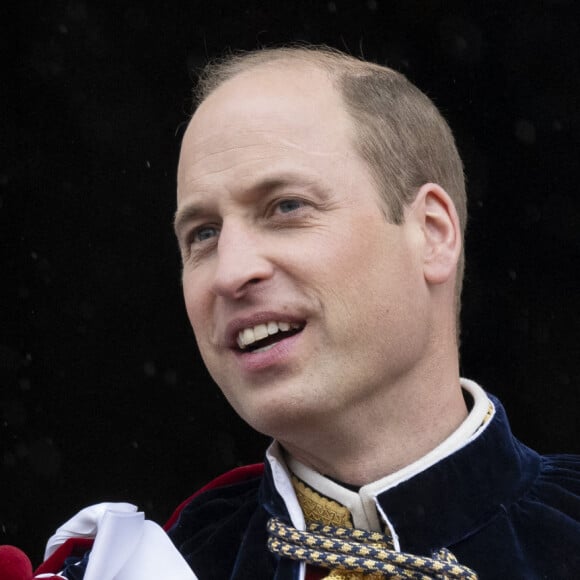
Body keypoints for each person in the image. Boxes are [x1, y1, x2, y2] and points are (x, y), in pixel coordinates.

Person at [3, 45, 580, 580]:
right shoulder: (155, 563)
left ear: (430, 235)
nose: (230, 272)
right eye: (202, 233)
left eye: (286, 207)